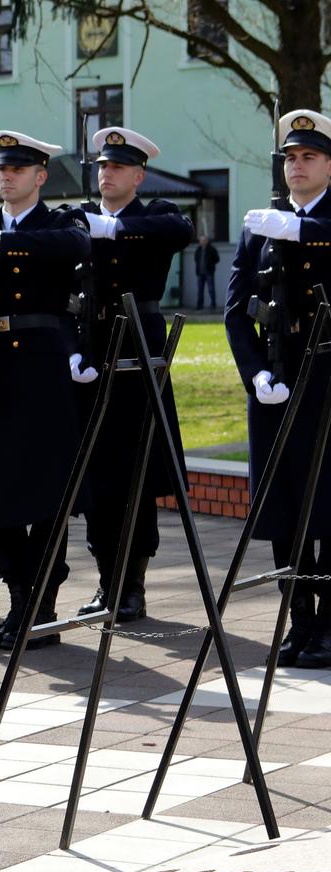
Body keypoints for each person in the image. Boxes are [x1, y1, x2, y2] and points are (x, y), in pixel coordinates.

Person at [0, 129, 91, 650]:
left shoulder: (61, 222)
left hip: (40, 372)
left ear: (40, 175)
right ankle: (18, 598)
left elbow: (74, 246)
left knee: (46, 493)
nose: (7, 176)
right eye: (2, 169)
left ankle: (41, 604)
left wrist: (4, 243)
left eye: (18, 168)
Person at [71, 127, 193, 624]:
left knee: (135, 470)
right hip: (91, 345)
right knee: (96, 474)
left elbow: (180, 231)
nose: (107, 174)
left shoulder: (155, 215)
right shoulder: (79, 218)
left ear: (139, 175)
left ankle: (134, 584)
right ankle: (106, 580)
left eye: (118, 167)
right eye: (103, 166)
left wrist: (116, 232)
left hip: (138, 345)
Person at [226, 108, 331, 667]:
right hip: (276, 379)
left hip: (328, 382)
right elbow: (235, 309)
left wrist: (305, 231)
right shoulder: (260, 223)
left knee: (329, 502)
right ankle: (300, 619)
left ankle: (329, 625)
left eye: (309, 156)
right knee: (282, 504)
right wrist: (255, 373)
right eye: (290, 157)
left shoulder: (309, 221)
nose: (297, 166)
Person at [194, 234, 220, 309]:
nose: (203, 242)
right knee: (200, 290)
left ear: (207, 241)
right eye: (201, 240)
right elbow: (196, 259)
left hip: (209, 272)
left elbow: (217, 259)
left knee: (211, 289)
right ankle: (199, 306)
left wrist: (211, 264)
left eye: (204, 240)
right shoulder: (198, 250)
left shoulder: (211, 249)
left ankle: (213, 305)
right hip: (200, 273)